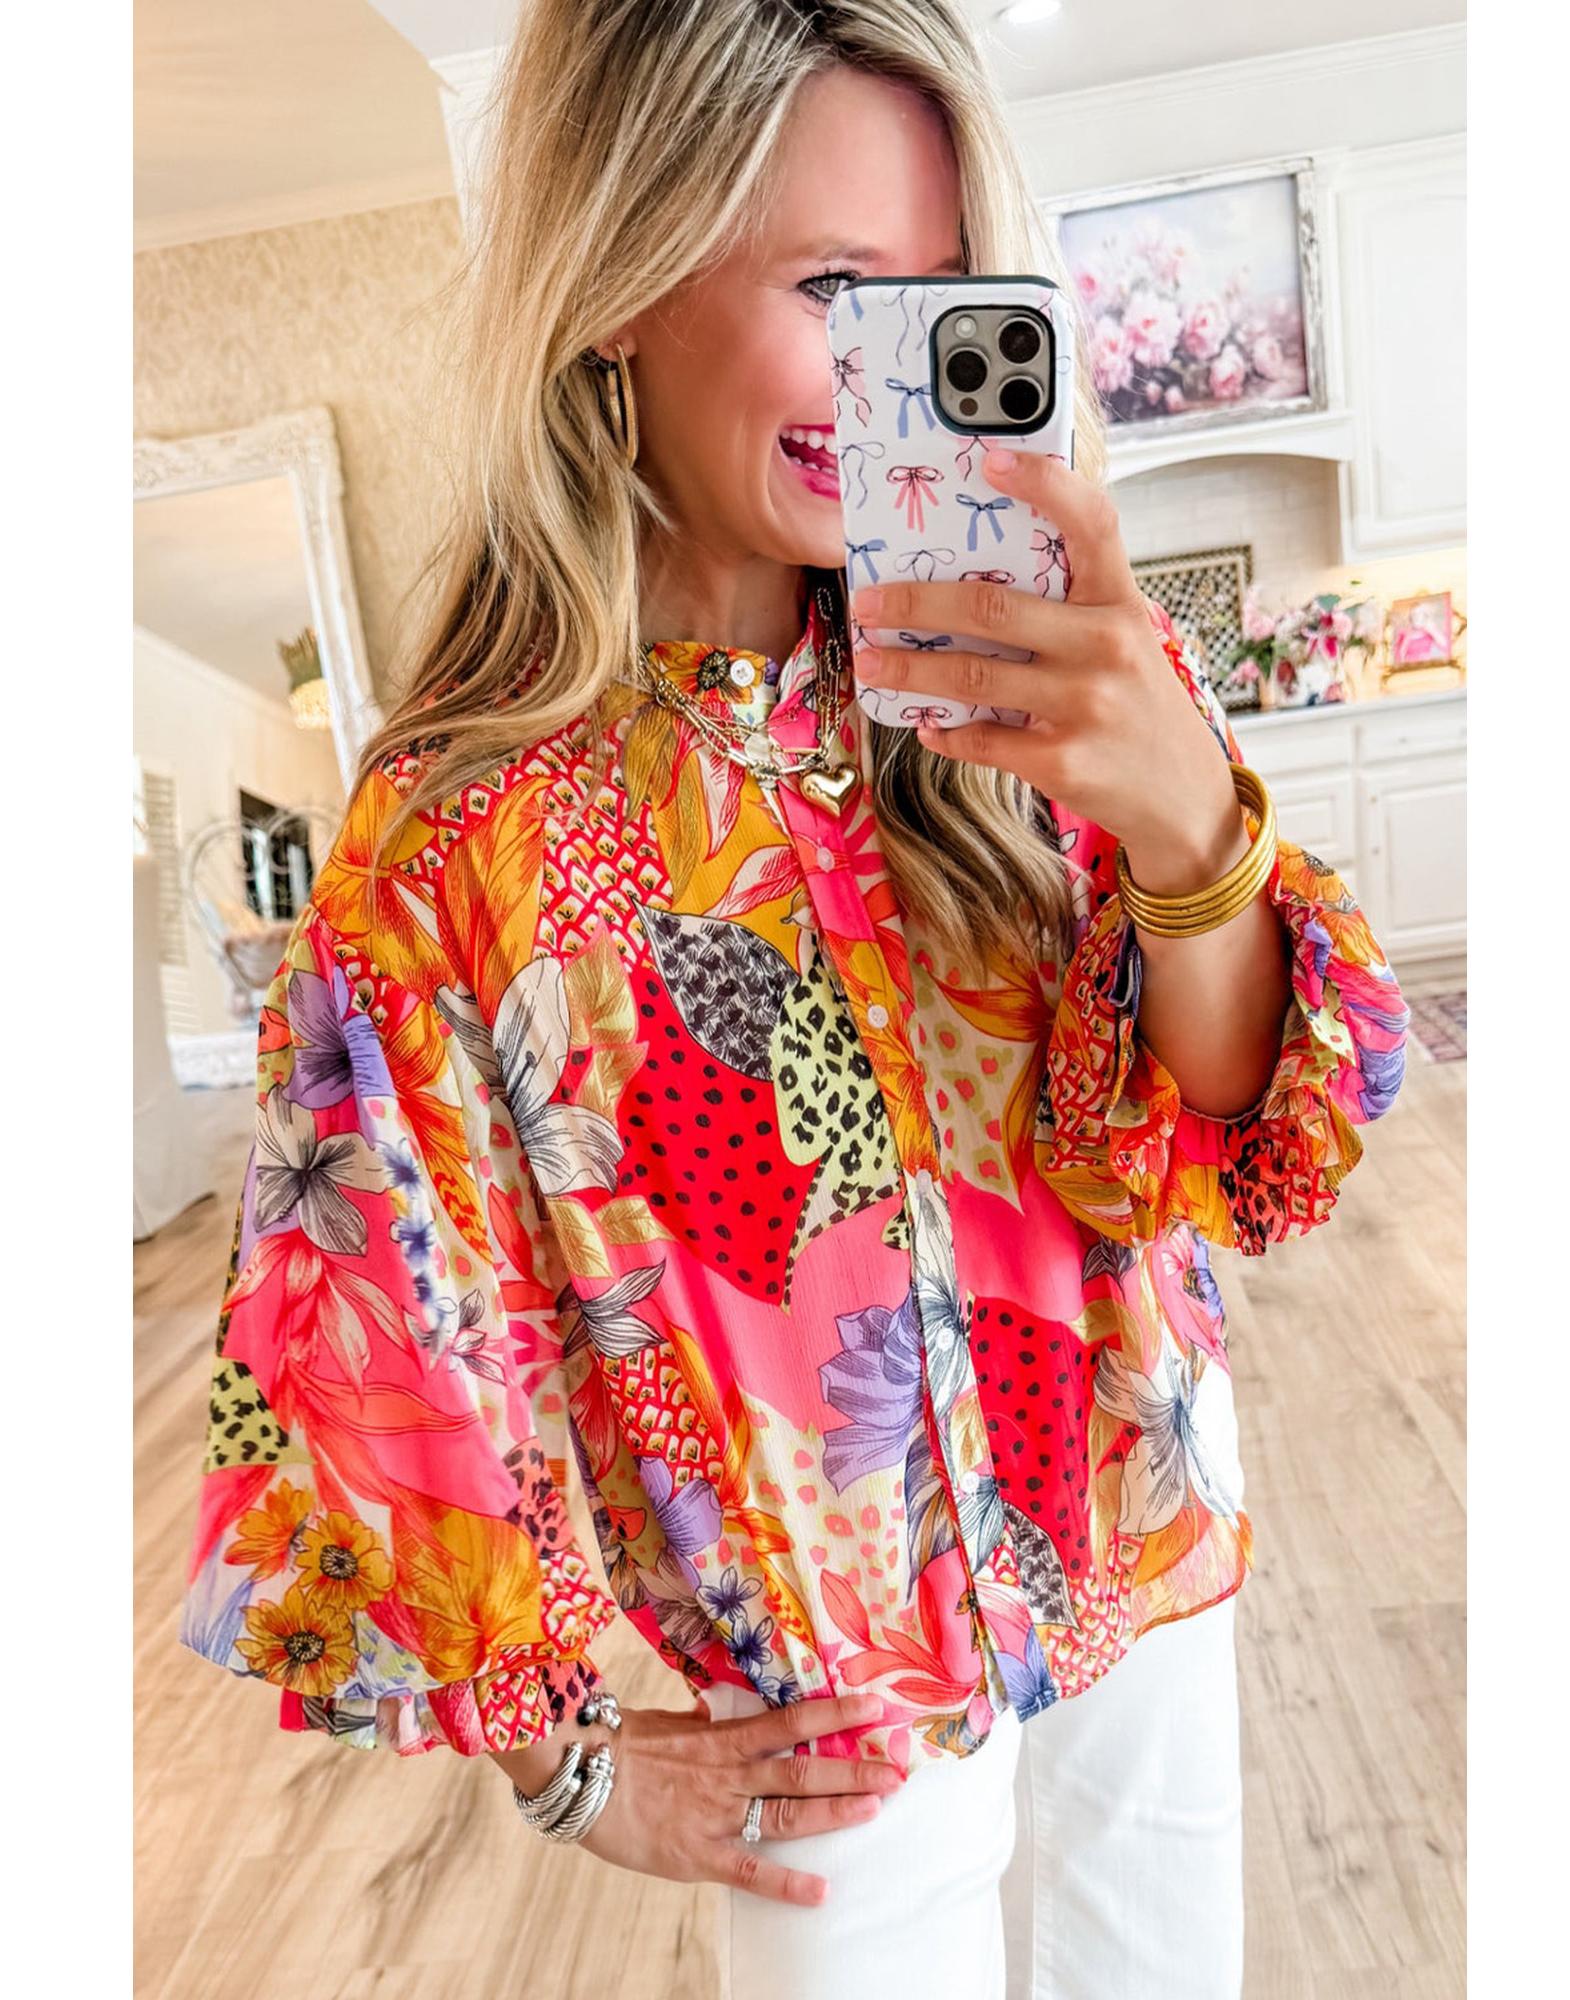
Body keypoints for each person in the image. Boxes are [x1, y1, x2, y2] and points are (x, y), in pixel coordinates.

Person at [177, 3, 1411, 1994]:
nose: (891, 367)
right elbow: (374, 1334)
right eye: (835, 289)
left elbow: (1232, 1137)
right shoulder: (455, 838)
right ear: (617, 283)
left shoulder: (1048, 670)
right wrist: (572, 1771)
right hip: (825, 1721)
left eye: (941, 290)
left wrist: (1186, 823)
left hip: (1138, 1540)